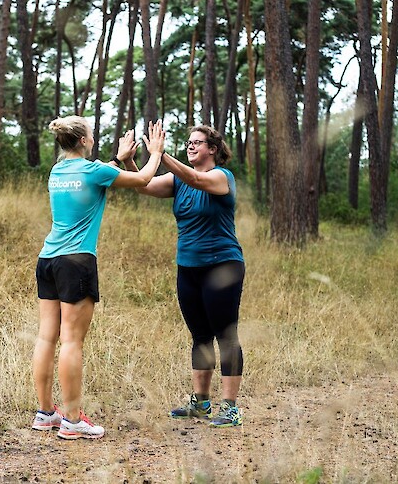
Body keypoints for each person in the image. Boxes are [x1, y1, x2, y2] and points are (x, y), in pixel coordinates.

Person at [32, 116, 166, 440]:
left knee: (46, 338)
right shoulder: (94, 172)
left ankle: (46, 413)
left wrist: (119, 158)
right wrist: (157, 152)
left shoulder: (57, 171)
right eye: (91, 135)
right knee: (72, 340)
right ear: (83, 141)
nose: (93, 139)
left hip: (48, 259)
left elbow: (97, 176)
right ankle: (74, 420)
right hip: (77, 261)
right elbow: (145, 178)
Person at [124, 125, 245, 428]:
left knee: (225, 335)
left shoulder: (221, 177)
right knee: (200, 336)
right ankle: (201, 403)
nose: (190, 147)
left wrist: (160, 154)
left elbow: (196, 178)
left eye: (197, 143)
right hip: (188, 267)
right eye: (188, 142)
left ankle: (230, 407)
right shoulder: (178, 182)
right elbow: (143, 186)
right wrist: (128, 161)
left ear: (213, 149)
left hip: (222, 265)